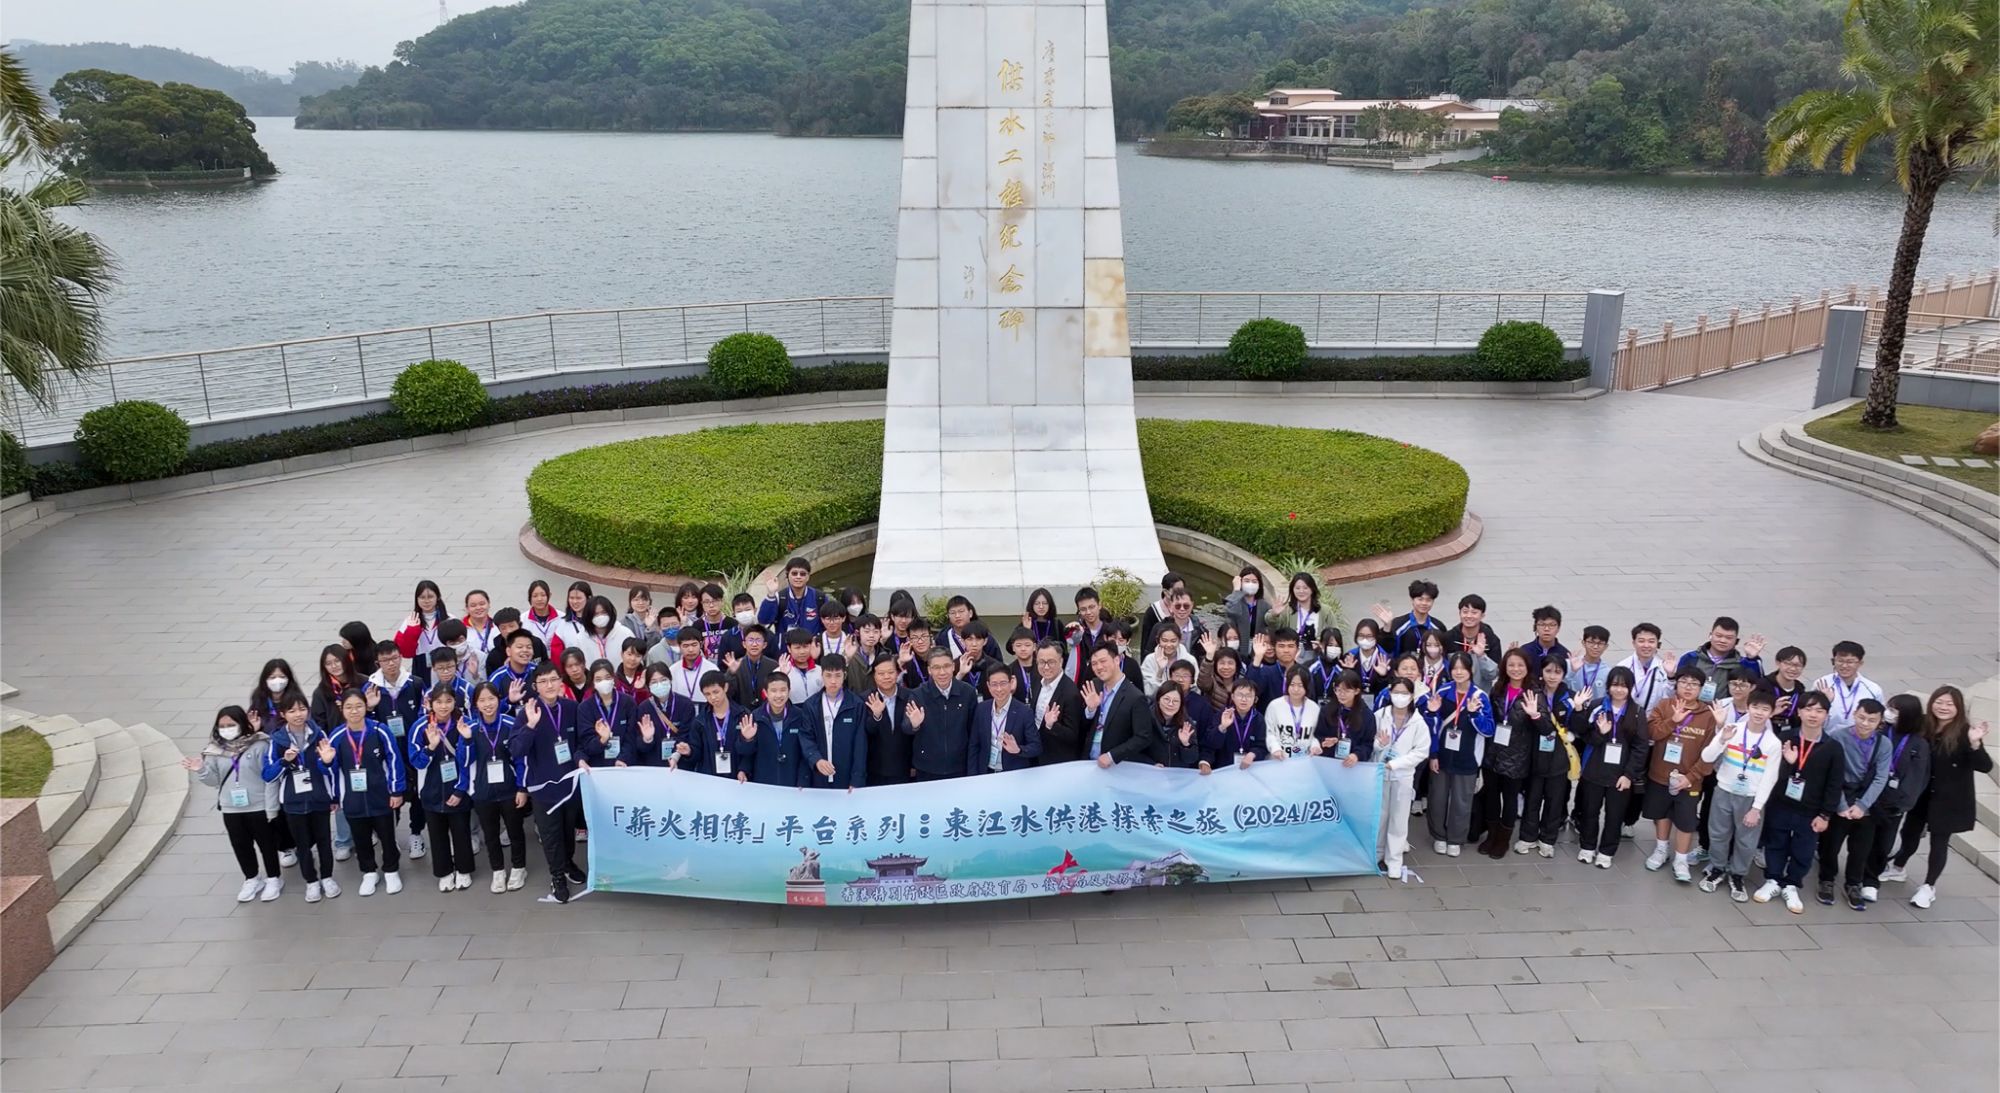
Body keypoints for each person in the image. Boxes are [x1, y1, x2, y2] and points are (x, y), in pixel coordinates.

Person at [1896, 686, 1990, 909]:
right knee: (1909, 832)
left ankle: (1928, 886)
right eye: (1939, 702)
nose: (1944, 708)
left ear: (1958, 708)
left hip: (1949, 798)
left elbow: (1984, 766)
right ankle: (1897, 866)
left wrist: (1975, 744)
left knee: (1939, 842)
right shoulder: (1923, 724)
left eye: (1950, 704)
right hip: (1922, 793)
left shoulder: (1965, 732)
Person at [1753, 691, 1844, 914]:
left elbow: (1834, 784)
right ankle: (1773, 879)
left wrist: (1825, 815)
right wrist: (1790, 764)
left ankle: (1792, 883)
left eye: (1819, 711)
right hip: (1781, 803)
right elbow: (1772, 773)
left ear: (1826, 715)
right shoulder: (1785, 739)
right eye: (1808, 709)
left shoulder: (1832, 747)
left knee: (1804, 849)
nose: (1813, 715)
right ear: (1799, 712)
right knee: (1776, 842)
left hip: (1811, 809)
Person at [183, 705, 283, 903]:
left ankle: (274, 878)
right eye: (222, 725)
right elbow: (214, 781)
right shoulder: (214, 751)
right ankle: (252, 878)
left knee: (267, 844)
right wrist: (201, 769)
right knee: (240, 844)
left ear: (242, 724)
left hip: (258, 805)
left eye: (231, 724)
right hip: (231, 807)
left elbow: (270, 778)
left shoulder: (260, 744)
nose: (226, 728)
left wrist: (272, 807)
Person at [1698, 687, 1783, 900]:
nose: (1759, 712)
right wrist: (1721, 739)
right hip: (1724, 791)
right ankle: (1717, 868)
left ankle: (1737, 875)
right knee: (1718, 833)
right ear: (1748, 707)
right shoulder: (1732, 729)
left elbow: (1770, 777)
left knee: (1746, 840)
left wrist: (1757, 808)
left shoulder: (1773, 743)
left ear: (1771, 713)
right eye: (1755, 707)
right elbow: (1707, 757)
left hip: (1751, 797)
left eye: (1765, 709)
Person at [511, 663, 586, 904]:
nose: (550, 685)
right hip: (543, 787)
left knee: (568, 831)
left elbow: (581, 742)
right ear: (535, 687)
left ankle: (568, 862)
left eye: (553, 679)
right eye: (543, 682)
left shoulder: (572, 708)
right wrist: (531, 725)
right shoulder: (527, 712)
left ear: (561, 682)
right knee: (551, 835)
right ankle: (557, 876)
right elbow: (516, 749)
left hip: (570, 784)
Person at [1643, 667, 1721, 882]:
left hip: (1689, 781)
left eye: (1694, 684)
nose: (1688, 687)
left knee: (1686, 822)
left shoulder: (1708, 716)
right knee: (1662, 814)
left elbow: (1709, 753)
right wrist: (1673, 721)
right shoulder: (1664, 706)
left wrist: (1691, 777)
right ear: (1676, 684)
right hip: (1660, 775)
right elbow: (1652, 733)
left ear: (1701, 689)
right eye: (1684, 682)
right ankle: (1661, 850)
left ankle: (1681, 859)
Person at [328, 687, 407, 897]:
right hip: (352, 800)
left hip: (380, 797)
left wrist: (396, 791)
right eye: (349, 707)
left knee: (387, 836)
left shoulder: (380, 730)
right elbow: (329, 769)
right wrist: (334, 796)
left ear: (366, 706)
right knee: (361, 838)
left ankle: (391, 870)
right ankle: (369, 872)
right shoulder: (336, 736)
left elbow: (394, 760)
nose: (354, 711)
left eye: (358, 706)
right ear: (341, 709)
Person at [262, 693, 340, 902]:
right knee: (302, 844)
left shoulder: (318, 734)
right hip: (293, 803)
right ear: (283, 714)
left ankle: (327, 877)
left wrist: (327, 763)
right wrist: (285, 762)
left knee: (324, 840)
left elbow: (330, 767)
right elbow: (268, 774)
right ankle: (311, 881)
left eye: (302, 709)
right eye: (292, 710)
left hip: (319, 799)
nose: (298, 714)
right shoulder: (277, 741)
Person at [1817, 698, 1893, 909]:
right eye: (1861, 717)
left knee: (1861, 848)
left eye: (1871, 720)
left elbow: (1880, 777)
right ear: (1854, 715)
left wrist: (1862, 806)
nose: (1865, 723)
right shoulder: (1838, 737)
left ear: (1879, 722)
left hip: (1866, 802)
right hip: (1840, 795)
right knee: (1830, 845)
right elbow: (1831, 774)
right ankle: (1826, 880)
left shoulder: (1884, 744)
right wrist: (1841, 805)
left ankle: (1853, 883)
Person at [1572, 667, 1650, 868]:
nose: (1619, 690)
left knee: (1615, 815)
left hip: (1620, 775)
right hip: (1594, 770)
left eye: (1624, 686)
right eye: (1615, 685)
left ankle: (1607, 851)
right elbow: (1582, 734)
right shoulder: (1597, 706)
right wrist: (1598, 731)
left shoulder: (1637, 713)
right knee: (1590, 811)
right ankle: (1587, 847)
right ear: (1608, 687)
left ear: (1630, 688)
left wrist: (1628, 775)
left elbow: (1640, 748)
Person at [1860, 693, 1930, 903]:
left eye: (1894, 710)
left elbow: (1918, 777)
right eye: (1889, 708)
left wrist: (1901, 803)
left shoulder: (1918, 743)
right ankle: (1857, 876)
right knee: (1861, 840)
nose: (1889, 713)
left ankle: (1871, 880)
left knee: (1883, 844)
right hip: (1868, 796)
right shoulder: (1880, 731)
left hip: (1893, 804)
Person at [408, 685, 476, 892]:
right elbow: (416, 762)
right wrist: (430, 747)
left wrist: (460, 789)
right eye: (439, 702)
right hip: (431, 791)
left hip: (458, 789)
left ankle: (464, 870)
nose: (444, 706)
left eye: (448, 701)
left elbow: (471, 760)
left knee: (461, 831)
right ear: (430, 703)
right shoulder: (420, 728)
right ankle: (444, 872)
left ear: (455, 702)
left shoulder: (465, 724)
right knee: (437, 835)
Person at [1425, 654, 1491, 857]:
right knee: (1437, 798)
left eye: (1463, 668)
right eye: (1455, 668)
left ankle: (1455, 838)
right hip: (1442, 757)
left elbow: (1489, 730)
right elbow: (1433, 727)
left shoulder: (1480, 697)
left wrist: (1472, 714)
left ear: (1471, 670)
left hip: (1467, 758)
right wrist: (1433, 753)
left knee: (1462, 801)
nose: (1459, 672)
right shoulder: (1443, 692)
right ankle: (1439, 836)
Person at [464, 683, 528, 893]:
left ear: (499, 700)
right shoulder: (471, 729)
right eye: (481, 700)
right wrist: (465, 742)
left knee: (515, 832)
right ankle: (498, 871)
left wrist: (522, 787)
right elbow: (465, 761)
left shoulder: (511, 724)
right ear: (476, 705)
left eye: (491, 699)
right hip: (484, 792)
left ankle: (519, 868)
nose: (487, 704)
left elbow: (520, 758)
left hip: (510, 790)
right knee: (490, 835)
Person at [1516, 655, 1580, 858]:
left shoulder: (1570, 696)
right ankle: (1527, 836)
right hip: (1535, 755)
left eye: (1558, 672)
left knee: (1554, 801)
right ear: (1541, 672)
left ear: (1564, 674)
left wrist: (1578, 710)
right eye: (1548, 671)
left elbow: (1579, 728)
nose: (1552, 676)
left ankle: (1547, 839)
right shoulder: (1533, 694)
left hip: (1559, 758)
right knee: (1532, 799)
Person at [1477, 650, 1535, 859]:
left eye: (1520, 665)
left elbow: (1543, 726)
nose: (1516, 669)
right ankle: (1491, 835)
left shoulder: (1533, 693)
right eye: (1511, 665)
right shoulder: (1498, 689)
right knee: (1491, 794)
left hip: (1517, 755)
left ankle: (1503, 839)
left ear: (1527, 667)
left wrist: (1535, 715)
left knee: (1510, 798)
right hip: (1494, 752)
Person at [1376, 677, 1433, 880]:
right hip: (1381, 774)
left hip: (1403, 776)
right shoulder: (1380, 715)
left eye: (1404, 693)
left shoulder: (1418, 722)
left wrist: (1397, 763)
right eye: (1396, 692)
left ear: (1411, 696)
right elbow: (1371, 743)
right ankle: (1377, 853)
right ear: (1390, 694)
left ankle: (1394, 858)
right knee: (1380, 816)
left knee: (1399, 819)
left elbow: (1421, 751)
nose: (1400, 697)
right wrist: (1381, 746)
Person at [903, 649, 977, 781]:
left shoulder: (968, 692)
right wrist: (914, 725)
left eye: (946, 666)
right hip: (927, 767)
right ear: (929, 670)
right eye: (936, 668)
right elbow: (906, 727)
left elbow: (974, 730)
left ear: (954, 667)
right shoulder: (918, 694)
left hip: (959, 766)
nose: (942, 672)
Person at [736, 671, 821, 787]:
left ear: (789, 691)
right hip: (764, 782)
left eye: (783, 690)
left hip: (792, 781)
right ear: (765, 693)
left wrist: (803, 780)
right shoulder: (755, 717)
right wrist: (747, 740)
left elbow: (805, 752)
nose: (778, 695)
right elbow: (747, 753)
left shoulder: (799, 716)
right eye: (773, 691)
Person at [1081, 643, 1156, 767]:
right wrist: (1090, 709)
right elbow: (1084, 725)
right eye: (1094, 664)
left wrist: (1113, 755)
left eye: (1103, 661)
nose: (1099, 667)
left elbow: (1143, 737)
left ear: (1116, 660)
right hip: (1089, 759)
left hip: (1116, 765)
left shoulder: (1135, 696)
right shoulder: (1094, 685)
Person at [1675, 616, 1767, 704]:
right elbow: (1676, 685)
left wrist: (1751, 659)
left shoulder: (1740, 663)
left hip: (1725, 711)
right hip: (1692, 709)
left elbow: (1756, 686)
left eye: (1729, 638)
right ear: (1710, 635)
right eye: (1718, 636)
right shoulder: (1691, 658)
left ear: (1736, 641)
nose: (1722, 640)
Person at [968, 665, 1039, 775]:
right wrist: (972, 776)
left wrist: (1018, 749)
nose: (999, 689)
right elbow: (974, 745)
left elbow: (1036, 747)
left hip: (1013, 774)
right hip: (986, 772)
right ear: (988, 685)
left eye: (1003, 683)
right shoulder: (982, 709)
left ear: (1011, 683)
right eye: (994, 684)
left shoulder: (1024, 712)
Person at [807, 659, 867, 788]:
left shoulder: (856, 704)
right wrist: (816, 759)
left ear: (844, 675)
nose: (833, 681)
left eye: (838, 675)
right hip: (819, 774)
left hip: (846, 774)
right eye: (828, 675)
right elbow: (806, 737)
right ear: (821, 675)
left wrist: (857, 779)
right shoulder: (811, 705)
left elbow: (860, 744)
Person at [1030, 640, 1087, 765]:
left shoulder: (1071, 693)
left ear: (1061, 661)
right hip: (1036, 753)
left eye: (1051, 662)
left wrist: (1052, 725)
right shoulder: (1036, 680)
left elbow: (1073, 735)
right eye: (1041, 662)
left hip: (1057, 758)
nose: (1045, 667)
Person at [1812, 641, 1884, 735]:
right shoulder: (1822, 684)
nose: (1844, 666)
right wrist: (1825, 702)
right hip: (1827, 738)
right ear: (1833, 661)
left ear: (1860, 663)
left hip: (1858, 741)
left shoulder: (1873, 689)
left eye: (1850, 662)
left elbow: (1879, 717)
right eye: (1840, 661)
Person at [861, 657, 913, 784]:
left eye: (890, 672)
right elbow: (866, 733)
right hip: (875, 768)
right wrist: (876, 715)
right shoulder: (865, 699)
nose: (886, 677)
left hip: (904, 767)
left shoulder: (910, 696)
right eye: (881, 673)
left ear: (897, 673)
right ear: (874, 676)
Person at [392, 580, 448, 689]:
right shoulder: (410, 621)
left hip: (445, 663)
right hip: (421, 664)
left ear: (438, 597)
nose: (426, 601)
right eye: (422, 597)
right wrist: (412, 631)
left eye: (430, 597)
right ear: (416, 599)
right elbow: (405, 652)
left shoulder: (449, 619)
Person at [579, 661, 636, 768]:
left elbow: (631, 737)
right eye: (598, 679)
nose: (604, 682)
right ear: (593, 682)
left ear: (613, 679)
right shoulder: (585, 708)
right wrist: (602, 740)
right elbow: (586, 743)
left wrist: (622, 758)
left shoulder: (628, 702)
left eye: (607, 677)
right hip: (598, 766)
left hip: (624, 765)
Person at [1206, 679, 1269, 770]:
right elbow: (1210, 743)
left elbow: (1262, 746)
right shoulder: (1223, 714)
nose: (1244, 699)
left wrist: (1253, 754)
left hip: (1250, 768)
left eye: (1249, 696)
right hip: (1224, 768)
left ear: (1255, 699)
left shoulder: (1259, 719)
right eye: (1240, 695)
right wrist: (1222, 727)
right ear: (1232, 696)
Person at [1377, 578, 1445, 658]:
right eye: (1420, 599)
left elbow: (1444, 654)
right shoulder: (1397, 624)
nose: (1424, 603)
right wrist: (1387, 628)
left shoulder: (1438, 627)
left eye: (1428, 600)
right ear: (1412, 600)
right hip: (1402, 669)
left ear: (1433, 602)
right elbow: (1385, 649)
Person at [1264, 667, 1322, 759]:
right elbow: (1269, 732)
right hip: (1279, 761)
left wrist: (1315, 746)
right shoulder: (1275, 706)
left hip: (1305, 762)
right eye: (1292, 684)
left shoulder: (1314, 708)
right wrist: (1275, 748)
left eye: (1300, 685)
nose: (1296, 689)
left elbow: (1315, 735)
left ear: (1307, 686)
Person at [759, 556, 825, 635]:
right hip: (786, 646)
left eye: (802, 574)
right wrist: (771, 594)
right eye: (794, 573)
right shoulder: (779, 598)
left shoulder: (819, 597)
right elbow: (764, 620)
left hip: (811, 646)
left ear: (808, 576)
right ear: (787, 575)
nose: (798, 577)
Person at [1617, 622, 1674, 713]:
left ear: (1658, 644)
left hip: (1652, 720)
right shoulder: (1623, 666)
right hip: (1626, 718)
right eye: (1641, 641)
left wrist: (1671, 677)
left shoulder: (1664, 668)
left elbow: (1669, 698)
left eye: (1651, 641)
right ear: (1634, 643)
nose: (1646, 645)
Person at [1221, 565, 1272, 656]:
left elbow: (1271, 625)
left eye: (1254, 581)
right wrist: (1236, 591)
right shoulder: (1233, 600)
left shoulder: (1264, 605)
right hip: (1237, 648)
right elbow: (1231, 612)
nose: (1250, 584)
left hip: (1257, 650)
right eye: (1247, 581)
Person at [725, 624, 779, 709]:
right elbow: (727, 694)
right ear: (744, 644)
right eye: (750, 640)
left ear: (764, 645)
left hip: (767, 712)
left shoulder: (773, 665)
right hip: (741, 712)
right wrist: (731, 673)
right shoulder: (736, 665)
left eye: (758, 640)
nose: (754, 644)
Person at [1154, 684, 1204, 769]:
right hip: (1150, 774)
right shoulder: (1146, 718)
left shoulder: (1186, 723)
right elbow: (1136, 750)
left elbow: (1192, 759)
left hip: (1176, 776)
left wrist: (1186, 744)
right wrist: (1150, 763)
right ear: (1158, 699)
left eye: (1176, 701)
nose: (1170, 704)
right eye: (1166, 699)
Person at [1761, 646, 1810, 732]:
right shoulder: (1763, 685)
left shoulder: (1800, 689)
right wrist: (1771, 710)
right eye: (1788, 664)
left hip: (1791, 733)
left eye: (1798, 665)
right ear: (1778, 663)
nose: (1793, 669)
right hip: (1765, 731)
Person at [1443, 593, 1502, 662]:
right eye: (1465, 612)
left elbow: (1495, 670)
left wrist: (1482, 656)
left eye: (1474, 612)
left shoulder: (1491, 640)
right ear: (1459, 613)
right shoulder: (1449, 638)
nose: (1469, 616)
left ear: (1482, 616)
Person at [1142, 625, 1198, 696]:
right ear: (1158, 640)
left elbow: (1195, 688)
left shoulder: (1190, 660)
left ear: (1180, 640)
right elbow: (1148, 693)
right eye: (1164, 640)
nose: (1168, 645)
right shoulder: (1149, 660)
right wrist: (1160, 672)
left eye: (1173, 641)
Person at [1139, 572, 1186, 652]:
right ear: (1166, 592)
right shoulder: (1153, 612)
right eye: (1177, 590)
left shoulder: (1185, 608)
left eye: (1182, 590)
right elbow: (1145, 643)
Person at [1564, 626, 1612, 705]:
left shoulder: (1607, 672)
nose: (1595, 647)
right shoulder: (1570, 664)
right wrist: (1572, 672)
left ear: (1606, 646)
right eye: (1591, 642)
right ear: (1583, 643)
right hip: (1571, 710)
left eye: (1600, 643)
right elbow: (1559, 688)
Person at [550, 580, 595, 657]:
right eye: (571, 598)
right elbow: (556, 653)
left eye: (578, 598)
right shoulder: (563, 624)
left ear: (589, 598)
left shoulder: (597, 621)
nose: (574, 601)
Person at [522, 579, 563, 652]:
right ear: (530, 598)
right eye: (535, 596)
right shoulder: (522, 620)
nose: (539, 599)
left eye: (543, 595)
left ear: (549, 595)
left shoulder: (562, 617)